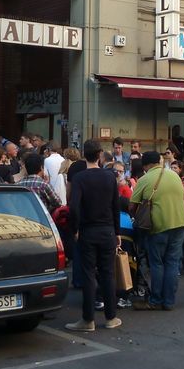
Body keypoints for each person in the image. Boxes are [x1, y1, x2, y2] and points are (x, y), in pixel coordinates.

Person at [65, 139, 122, 332]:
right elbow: (115, 206)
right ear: (99, 155)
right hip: (107, 230)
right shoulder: (109, 177)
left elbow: (73, 207)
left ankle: (88, 319)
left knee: (89, 274)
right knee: (108, 273)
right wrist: (117, 232)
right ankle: (111, 317)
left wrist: (75, 229)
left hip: (87, 231)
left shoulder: (80, 178)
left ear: (84, 155)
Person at [130, 152, 184, 311]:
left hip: (158, 226)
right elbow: (182, 197)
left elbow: (132, 206)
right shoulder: (175, 176)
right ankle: (169, 302)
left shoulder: (145, 179)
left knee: (157, 263)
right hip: (180, 223)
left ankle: (155, 300)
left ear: (145, 165)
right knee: (172, 263)